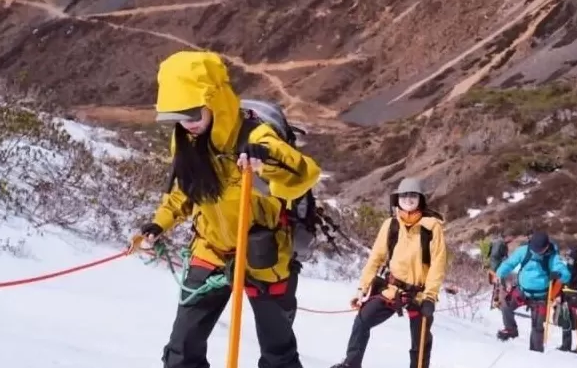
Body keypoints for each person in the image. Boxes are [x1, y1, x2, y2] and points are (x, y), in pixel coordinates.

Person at [137, 51, 321, 368]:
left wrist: (266, 157)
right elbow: (185, 189)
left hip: (264, 256)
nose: (186, 124)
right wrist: (160, 223)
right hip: (210, 250)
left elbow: (302, 175)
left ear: (215, 101)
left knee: (278, 354)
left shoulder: (256, 136)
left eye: (192, 114)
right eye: (177, 117)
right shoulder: (185, 141)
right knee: (181, 350)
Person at [331, 178, 448, 368]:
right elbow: (375, 258)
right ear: (397, 199)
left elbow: (438, 264)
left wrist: (430, 297)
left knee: (421, 342)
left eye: (413, 196)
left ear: (420, 200)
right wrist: (363, 287)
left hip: (419, 294)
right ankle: (351, 364)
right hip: (392, 290)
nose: (408, 200)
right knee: (362, 320)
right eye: (404, 196)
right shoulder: (391, 225)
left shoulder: (431, 227)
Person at [493, 231, 571, 352]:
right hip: (522, 290)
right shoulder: (524, 251)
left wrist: (559, 274)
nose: (536, 252)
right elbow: (510, 263)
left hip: (540, 296)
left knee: (537, 327)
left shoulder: (552, 256)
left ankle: (535, 353)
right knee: (505, 305)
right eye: (534, 249)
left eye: (539, 250)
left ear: (546, 247)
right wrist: (499, 273)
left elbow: (564, 272)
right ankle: (511, 329)